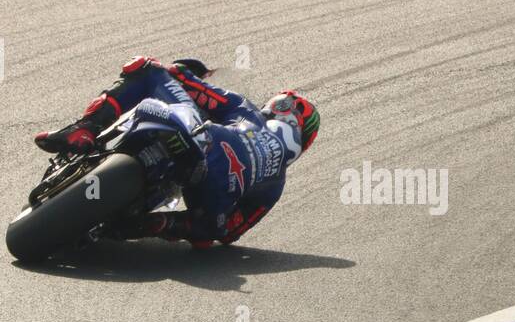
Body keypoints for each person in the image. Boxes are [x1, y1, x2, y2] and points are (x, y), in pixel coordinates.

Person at [35, 56, 318, 247]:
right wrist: (186, 224)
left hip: (204, 141)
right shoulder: (275, 187)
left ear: (281, 109)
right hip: (209, 196)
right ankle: (156, 223)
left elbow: (187, 83)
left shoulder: (249, 113)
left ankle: (84, 130)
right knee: (208, 231)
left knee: (146, 69)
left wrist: (184, 70)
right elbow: (231, 232)